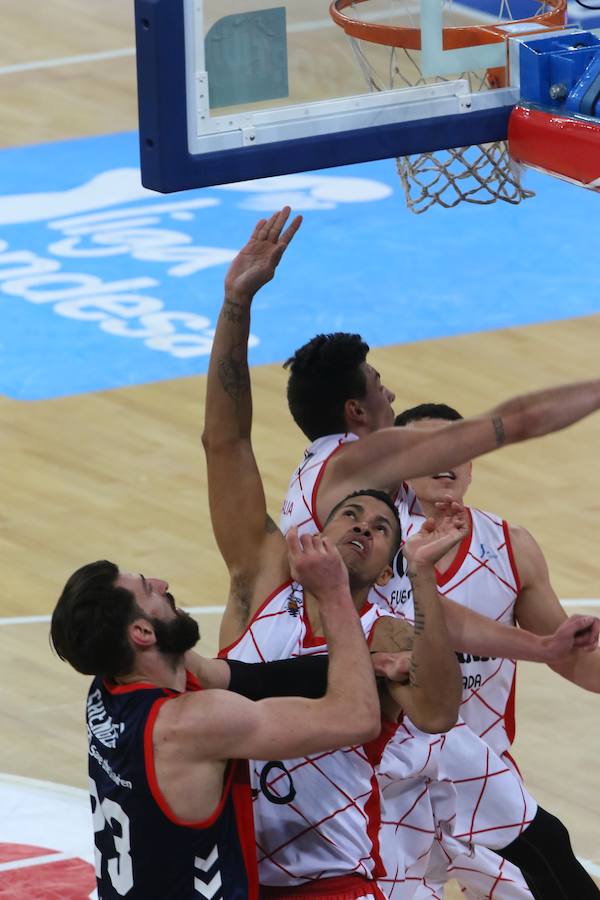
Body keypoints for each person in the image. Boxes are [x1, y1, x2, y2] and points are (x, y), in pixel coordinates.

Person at [203, 207, 598, 899]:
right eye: (380, 385)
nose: (390, 393)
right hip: (329, 799)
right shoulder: (361, 467)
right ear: (357, 412)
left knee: (536, 849)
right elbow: (512, 423)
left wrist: (539, 649)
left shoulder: (335, 546)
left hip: (376, 771)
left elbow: (228, 441)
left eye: (376, 525)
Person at [49, 531, 385, 900]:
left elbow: (255, 679)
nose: (163, 585)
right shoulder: (191, 724)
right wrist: (334, 592)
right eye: (148, 589)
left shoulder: (108, 685)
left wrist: (367, 665)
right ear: (143, 632)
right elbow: (357, 718)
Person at [379, 401, 600, 899]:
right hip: (390, 793)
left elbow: (570, 657)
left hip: (483, 783)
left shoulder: (509, 545)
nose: (445, 458)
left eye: (458, 446)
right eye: (426, 447)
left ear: (473, 461)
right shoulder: (372, 542)